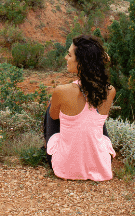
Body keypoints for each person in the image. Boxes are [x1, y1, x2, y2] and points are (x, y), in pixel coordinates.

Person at [43, 34, 116, 181]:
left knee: (51, 108)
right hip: (100, 166)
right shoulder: (110, 90)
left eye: (69, 55)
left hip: (65, 167)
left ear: (81, 63)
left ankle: (50, 151)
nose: (66, 58)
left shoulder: (61, 91)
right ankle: (92, 159)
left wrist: (54, 104)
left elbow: (54, 117)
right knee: (97, 119)